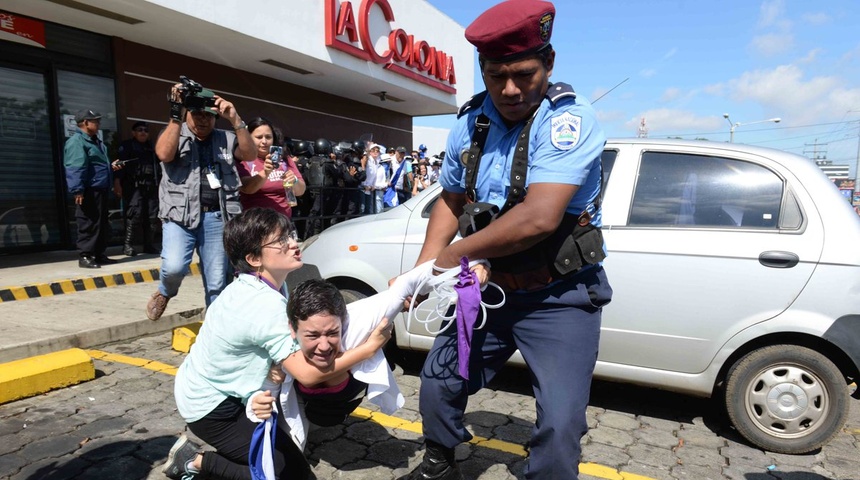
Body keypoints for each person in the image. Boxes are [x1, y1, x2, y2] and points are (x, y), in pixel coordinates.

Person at [396, 1, 612, 479]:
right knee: (438, 380)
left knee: (559, 421)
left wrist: (452, 256)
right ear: (483, 71)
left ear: (548, 64)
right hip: (487, 292)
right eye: (497, 76)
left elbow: (538, 218)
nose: (510, 89)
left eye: (524, 74)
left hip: (559, 296)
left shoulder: (567, 121)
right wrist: (420, 274)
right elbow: (450, 202)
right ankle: (440, 459)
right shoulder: (470, 123)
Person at [146, 82, 256, 321]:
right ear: (187, 113)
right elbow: (164, 154)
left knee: (217, 282)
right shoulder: (175, 132)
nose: (203, 120)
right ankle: (165, 291)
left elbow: (250, 155)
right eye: (197, 114)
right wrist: (176, 117)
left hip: (217, 217)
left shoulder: (226, 138)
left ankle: (214, 332)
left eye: (209, 115)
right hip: (180, 217)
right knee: (174, 267)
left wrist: (236, 120)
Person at [63, 108, 116, 269]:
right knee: (88, 222)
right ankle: (85, 255)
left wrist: (111, 167)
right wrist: (77, 189)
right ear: (85, 123)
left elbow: (96, 165)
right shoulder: (77, 142)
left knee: (101, 222)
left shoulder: (96, 141)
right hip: (89, 190)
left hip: (101, 188)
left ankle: (99, 254)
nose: (99, 124)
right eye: (96, 121)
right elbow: (75, 166)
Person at [237, 117, 306, 218]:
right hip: (254, 223)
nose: (264, 141)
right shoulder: (243, 159)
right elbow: (246, 188)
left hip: (283, 223)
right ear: (249, 138)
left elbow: (301, 191)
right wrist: (265, 173)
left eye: (268, 137)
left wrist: (294, 180)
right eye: (259, 137)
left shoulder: (284, 158)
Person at [113, 121, 160, 256]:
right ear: (134, 133)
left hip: (151, 186)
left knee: (152, 217)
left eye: (145, 130)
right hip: (134, 186)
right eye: (140, 130)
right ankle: (127, 246)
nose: (143, 132)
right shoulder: (127, 146)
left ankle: (149, 246)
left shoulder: (152, 147)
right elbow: (119, 167)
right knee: (134, 215)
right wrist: (117, 182)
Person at [360, 143, 384, 214]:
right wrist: (364, 184)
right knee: (362, 208)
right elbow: (364, 170)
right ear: (370, 152)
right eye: (373, 150)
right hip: (363, 188)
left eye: (377, 151)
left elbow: (374, 176)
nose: (375, 152)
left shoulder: (376, 162)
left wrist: (373, 185)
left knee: (368, 209)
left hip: (370, 189)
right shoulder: (367, 159)